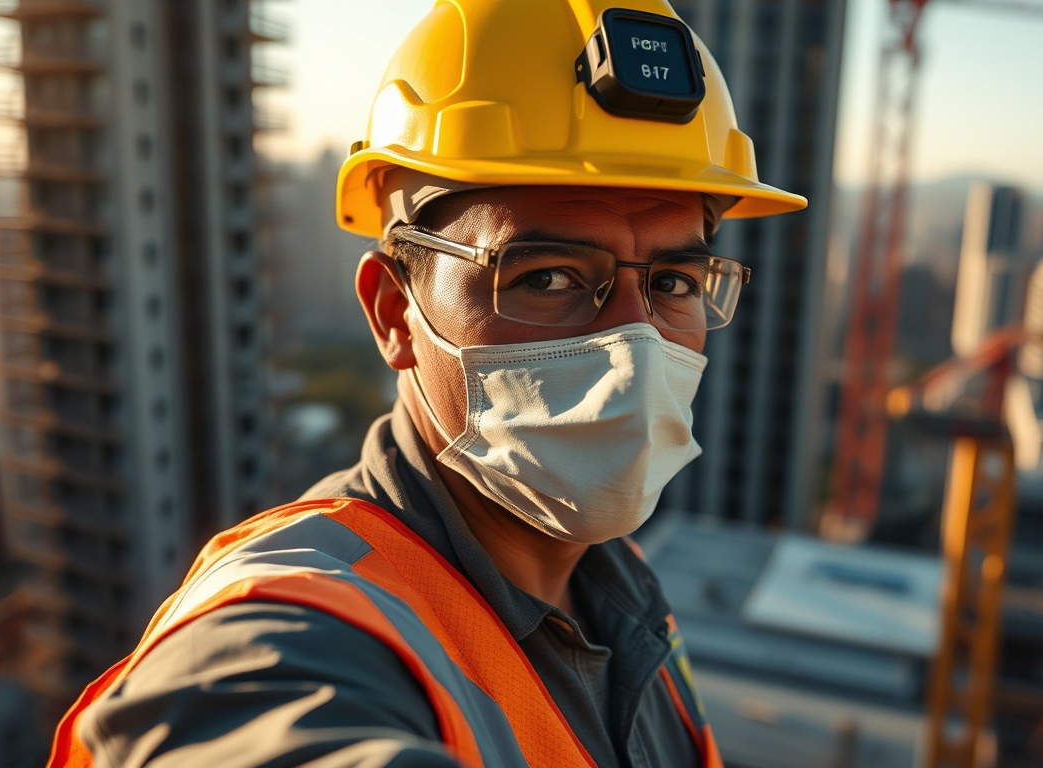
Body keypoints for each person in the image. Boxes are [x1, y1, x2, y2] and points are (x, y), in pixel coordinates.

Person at [48, 1, 804, 765]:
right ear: (393, 314)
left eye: (674, 280)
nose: (632, 342)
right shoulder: (291, 630)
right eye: (548, 277)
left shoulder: (623, 588)